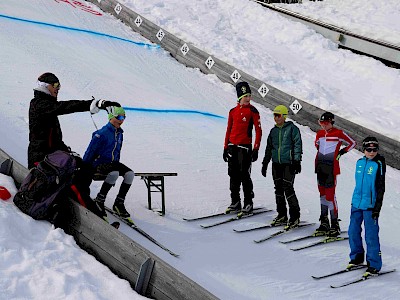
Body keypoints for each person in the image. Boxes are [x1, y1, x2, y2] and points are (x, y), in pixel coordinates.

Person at [28, 72, 120, 219]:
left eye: (59, 85)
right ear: (45, 86)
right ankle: (93, 217)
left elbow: (53, 139)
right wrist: (93, 104)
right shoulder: (39, 104)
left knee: (84, 167)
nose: (58, 88)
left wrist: (67, 152)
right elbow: (65, 107)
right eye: (55, 85)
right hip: (42, 161)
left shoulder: (47, 107)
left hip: (53, 158)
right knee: (74, 183)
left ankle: (87, 204)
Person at [83, 106, 134, 221]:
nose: (122, 120)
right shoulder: (102, 133)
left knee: (130, 174)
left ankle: (118, 203)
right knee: (114, 174)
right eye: (119, 117)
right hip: (99, 163)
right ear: (111, 117)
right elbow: (90, 151)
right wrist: (84, 166)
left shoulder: (119, 133)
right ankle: (100, 200)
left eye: (124, 117)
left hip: (112, 163)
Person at [347, 137, 385, 277]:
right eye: (369, 149)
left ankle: (374, 264)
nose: (371, 152)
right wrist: (353, 202)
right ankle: (356, 258)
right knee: (352, 231)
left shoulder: (379, 164)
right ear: (364, 150)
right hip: (356, 203)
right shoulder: (360, 162)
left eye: (374, 149)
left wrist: (377, 208)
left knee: (371, 236)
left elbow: (381, 188)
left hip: (370, 206)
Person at [223, 81, 262, 217]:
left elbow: (259, 131)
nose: (248, 98)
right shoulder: (232, 111)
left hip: (245, 148)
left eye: (249, 95)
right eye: (245, 95)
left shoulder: (253, 111)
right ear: (239, 97)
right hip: (232, 147)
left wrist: (256, 149)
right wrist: (225, 147)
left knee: (244, 176)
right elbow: (228, 129)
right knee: (233, 175)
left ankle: (248, 203)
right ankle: (235, 201)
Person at [314, 111, 356, 237]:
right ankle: (324, 222)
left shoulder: (338, 133)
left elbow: (353, 143)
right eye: (321, 123)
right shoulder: (320, 133)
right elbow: (317, 145)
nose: (323, 125)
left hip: (331, 169)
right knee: (322, 194)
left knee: (330, 196)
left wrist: (341, 152)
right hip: (320, 167)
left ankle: (334, 224)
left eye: (326, 123)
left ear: (331, 122)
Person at [261, 105, 303, 230]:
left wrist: (297, 161)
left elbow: (297, 145)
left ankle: (294, 217)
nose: (276, 117)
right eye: (274, 115)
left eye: (278, 115)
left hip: (288, 164)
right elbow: (269, 148)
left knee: (288, 188)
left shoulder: (292, 129)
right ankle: (282, 215)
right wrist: (265, 163)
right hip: (276, 163)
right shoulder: (273, 131)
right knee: (278, 189)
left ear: (284, 116)